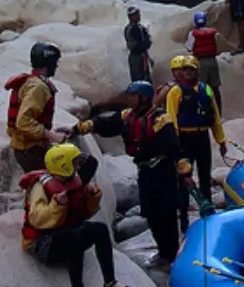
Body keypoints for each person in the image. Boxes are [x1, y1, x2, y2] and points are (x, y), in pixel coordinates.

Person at [66, 81, 184, 268]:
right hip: (145, 170)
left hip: (163, 170)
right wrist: (79, 128)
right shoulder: (127, 116)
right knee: (150, 213)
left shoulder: (161, 119)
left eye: (132, 95)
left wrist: (184, 170)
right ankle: (163, 252)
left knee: (166, 213)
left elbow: (174, 147)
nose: (128, 98)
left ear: (143, 98)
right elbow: (105, 123)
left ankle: (171, 252)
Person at [20, 143, 126, 287]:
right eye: (75, 163)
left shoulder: (71, 180)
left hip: (65, 231)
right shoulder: (40, 187)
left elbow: (83, 212)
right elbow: (37, 219)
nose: (78, 167)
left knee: (100, 229)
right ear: (64, 165)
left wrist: (92, 196)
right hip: (43, 242)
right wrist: (57, 205)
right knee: (74, 236)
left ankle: (110, 282)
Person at [166, 55, 227, 232]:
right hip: (185, 139)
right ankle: (183, 221)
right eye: (184, 69)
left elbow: (214, 116)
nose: (187, 72)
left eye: (190, 69)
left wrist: (220, 140)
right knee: (184, 179)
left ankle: (209, 215)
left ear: (197, 71)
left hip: (202, 137)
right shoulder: (176, 92)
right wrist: (175, 146)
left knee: (204, 176)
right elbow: (172, 118)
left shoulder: (206, 89)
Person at [5, 42, 70, 173]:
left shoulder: (33, 81)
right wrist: (52, 136)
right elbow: (23, 122)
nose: (56, 66)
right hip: (29, 150)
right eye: (55, 62)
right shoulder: (38, 87)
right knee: (74, 168)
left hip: (31, 147)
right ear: (48, 64)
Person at [185, 12, 223, 111]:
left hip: (200, 62)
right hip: (212, 61)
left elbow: (189, 47)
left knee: (202, 87)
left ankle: (203, 110)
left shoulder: (192, 34)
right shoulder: (213, 33)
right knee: (214, 88)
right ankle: (217, 110)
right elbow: (218, 46)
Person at [124, 6, 152, 83]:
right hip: (137, 56)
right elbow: (139, 45)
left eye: (138, 14)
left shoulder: (137, 28)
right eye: (135, 14)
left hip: (139, 55)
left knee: (141, 78)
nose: (138, 16)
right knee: (140, 79)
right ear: (130, 17)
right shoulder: (134, 28)